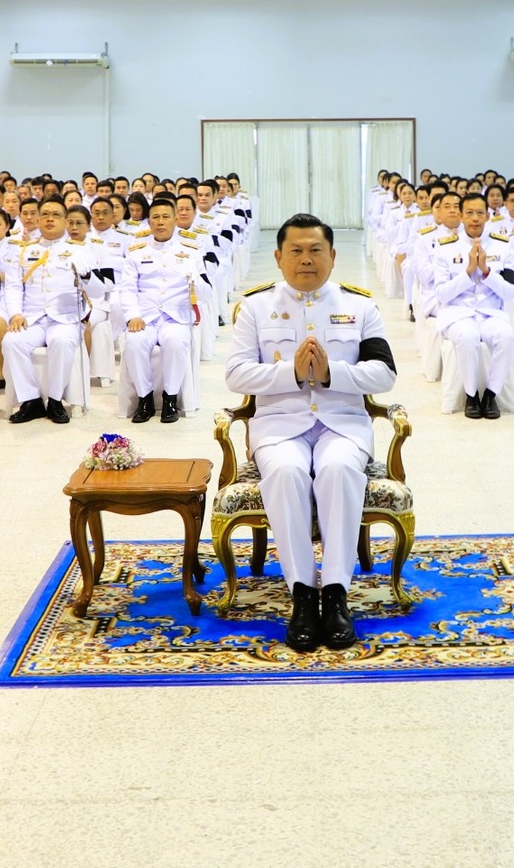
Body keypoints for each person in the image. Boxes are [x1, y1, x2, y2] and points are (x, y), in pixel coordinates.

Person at [224, 213, 395, 654]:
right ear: (278, 257)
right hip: (279, 426)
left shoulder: (360, 306)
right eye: (296, 251)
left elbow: (384, 374)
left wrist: (332, 372)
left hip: (343, 422)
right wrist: (293, 373)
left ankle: (335, 594)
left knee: (338, 470)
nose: (306, 259)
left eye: (316, 250)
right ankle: (302, 594)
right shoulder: (256, 308)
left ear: (332, 256)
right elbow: (236, 373)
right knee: (286, 473)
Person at [117, 195, 206, 423]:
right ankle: (144, 399)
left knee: (175, 342)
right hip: (145, 317)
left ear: (175, 219)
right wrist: (133, 315)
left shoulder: (191, 250)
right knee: (134, 343)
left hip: (176, 316)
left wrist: (195, 278)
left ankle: (170, 399)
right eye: (155, 217)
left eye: (166, 217)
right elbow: (127, 289)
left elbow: (206, 293)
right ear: (149, 222)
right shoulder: (136, 250)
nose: (160, 222)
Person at [0, 201, 91, 423]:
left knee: (61, 341)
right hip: (32, 318)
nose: (50, 219)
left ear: (66, 221)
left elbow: (97, 290)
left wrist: (87, 276)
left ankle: (55, 400)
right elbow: (13, 286)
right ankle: (31, 400)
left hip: (66, 318)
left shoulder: (80, 250)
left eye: (56, 215)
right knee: (11, 342)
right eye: (46, 214)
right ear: (38, 219)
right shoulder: (23, 251)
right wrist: (15, 314)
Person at [432, 191, 514, 419]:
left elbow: (510, 292)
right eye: (469, 213)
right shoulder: (444, 247)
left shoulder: (503, 246)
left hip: (491, 313)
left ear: (488, 216)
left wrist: (487, 272)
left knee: (506, 337)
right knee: (468, 337)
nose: (474, 218)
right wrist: (469, 271)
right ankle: (471, 395)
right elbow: (442, 294)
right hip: (458, 314)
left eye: (480, 213)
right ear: (461, 215)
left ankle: (491, 394)